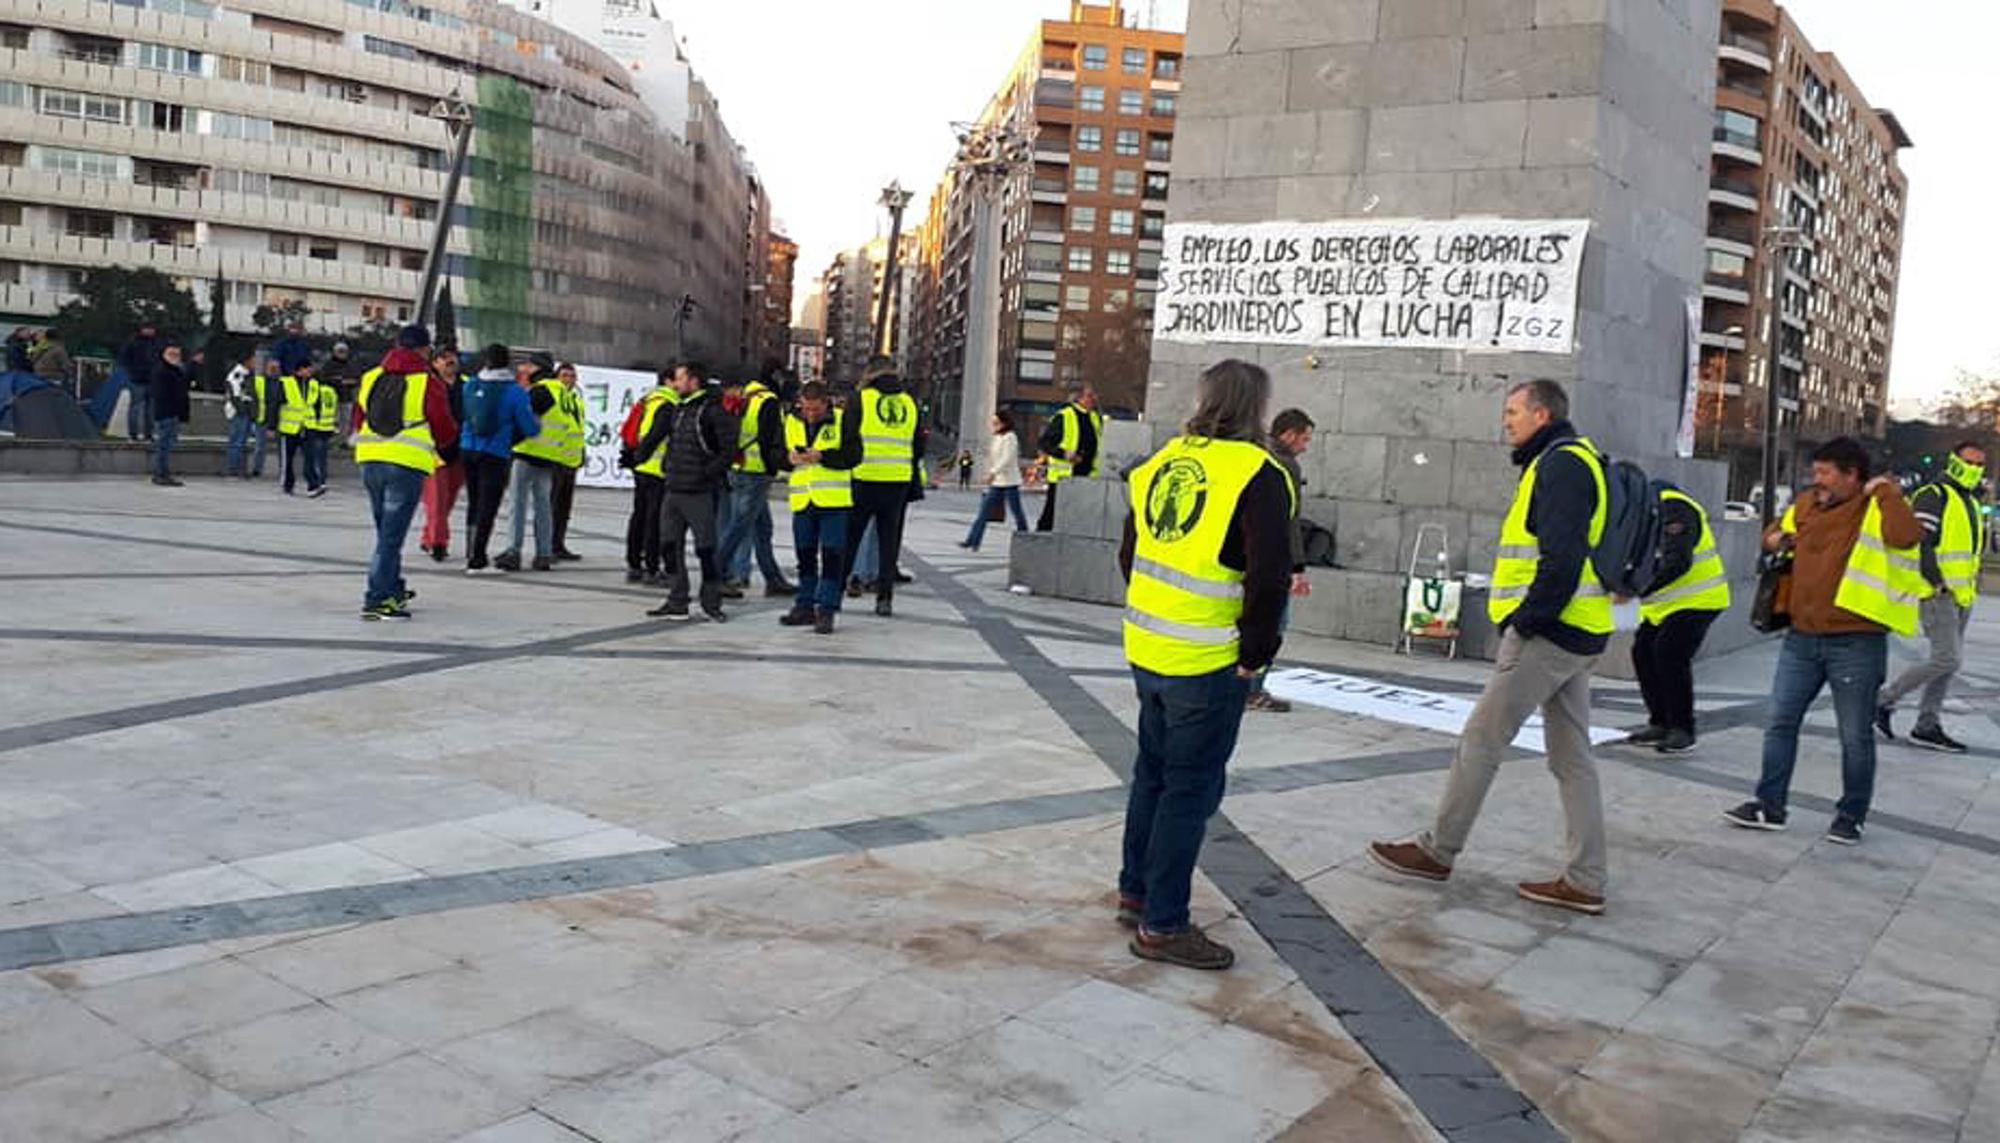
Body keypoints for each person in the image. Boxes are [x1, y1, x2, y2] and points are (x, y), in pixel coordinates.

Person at [1370, 380, 1613, 916]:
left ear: (1541, 414)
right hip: (1579, 629)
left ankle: (1438, 850)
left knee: (1482, 737)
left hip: (1550, 633)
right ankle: (1586, 878)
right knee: (1573, 756)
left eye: (1513, 411)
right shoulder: (1571, 458)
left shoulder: (1561, 465)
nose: (1506, 421)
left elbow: (1562, 558)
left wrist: (1527, 622)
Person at [1115, 360, 1294, 970]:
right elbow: (1269, 577)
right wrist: (1255, 656)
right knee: (1189, 791)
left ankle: (1134, 890)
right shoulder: (1259, 472)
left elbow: (1129, 553)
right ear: (1257, 408)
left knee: (1153, 775)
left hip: (1147, 647)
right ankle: (1163, 925)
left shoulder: (1160, 461)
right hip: (1207, 657)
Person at [1724, 438, 1923, 844]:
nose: (1818, 480)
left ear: (1853, 475)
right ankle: (1769, 804)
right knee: (1780, 721)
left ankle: (1851, 815)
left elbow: (1906, 536)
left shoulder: (1875, 506)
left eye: (1826, 473)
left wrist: (1885, 490)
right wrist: (1777, 539)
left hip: (1856, 641)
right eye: (1816, 472)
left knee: (1854, 733)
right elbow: (1774, 532)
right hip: (1802, 636)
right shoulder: (1809, 503)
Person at [1877, 441, 1988, 753]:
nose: (1976, 469)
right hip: (1938, 592)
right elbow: (1920, 542)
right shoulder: (1934, 495)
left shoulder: (1970, 501)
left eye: (1981, 464)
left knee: (1947, 663)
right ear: (1954, 461)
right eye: (1971, 462)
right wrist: (1936, 581)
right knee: (1947, 658)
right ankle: (1883, 700)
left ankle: (1927, 724)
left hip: (1961, 595)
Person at [352, 324, 458, 620]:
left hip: (370, 458)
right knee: (391, 536)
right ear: (424, 349)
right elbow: (443, 426)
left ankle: (393, 589)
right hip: (406, 463)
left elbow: (358, 418)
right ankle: (376, 600)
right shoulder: (427, 382)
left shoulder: (371, 377)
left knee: (386, 531)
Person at [1625, 486, 1732, 753]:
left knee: (1669, 654)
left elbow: (1678, 561)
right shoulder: (1642, 512)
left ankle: (1683, 729)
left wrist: (1636, 590)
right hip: (1663, 606)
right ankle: (1660, 722)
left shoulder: (1674, 507)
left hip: (1698, 599)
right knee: (1643, 653)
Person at [642, 362, 737, 622]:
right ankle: (677, 599)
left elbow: (728, 451)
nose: (676, 381)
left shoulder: (712, 411)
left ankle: (711, 601)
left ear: (694, 381)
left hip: (699, 492)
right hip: (673, 488)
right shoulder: (678, 409)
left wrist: (707, 473)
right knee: (669, 546)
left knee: (706, 549)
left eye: (681, 377)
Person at [1246, 408, 1317, 714]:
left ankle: (1240, 685)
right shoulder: (1286, 466)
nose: (1306, 446)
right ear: (1288, 435)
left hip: (1246, 556)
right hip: (1274, 560)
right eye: (1305, 438)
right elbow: (1290, 521)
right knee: (1273, 624)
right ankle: (1253, 690)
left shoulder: (1253, 454)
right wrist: (1297, 568)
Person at [781, 381, 863, 634]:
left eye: (815, 409)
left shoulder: (841, 420)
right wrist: (788, 459)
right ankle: (804, 605)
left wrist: (823, 457)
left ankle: (826, 609)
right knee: (804, 557)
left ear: (826, 403)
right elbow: (775, 454)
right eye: (806, 408)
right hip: (803, 499)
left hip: (834, 501)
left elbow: (854, 456)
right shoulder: (791, 421)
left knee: (832, 557)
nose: (811, 414)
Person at [847, 356, 919, 617]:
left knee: (851, 538)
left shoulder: (860, 399)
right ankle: (884, 598)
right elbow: (917, 446)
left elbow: (849, 438)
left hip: (864, 477)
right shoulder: (909, 403)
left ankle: (835, 593)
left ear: (871, 374)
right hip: (898, 480)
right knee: (889, 542)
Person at [460, 344, 539, 574]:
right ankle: (478, 559)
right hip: (494, 451)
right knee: (488, 505)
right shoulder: (514, 391)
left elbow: (463, 414)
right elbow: (529, 427)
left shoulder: (471, 384)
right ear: (508, 363)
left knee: (474, 502)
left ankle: (470, 552)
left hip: (467, 448)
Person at [716, 374, 795, 599]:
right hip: (756, 471)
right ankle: (716, 573)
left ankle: (773, 578)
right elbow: (770, 439)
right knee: (739, 525)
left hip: (737, 467)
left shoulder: (742, 398)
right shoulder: (767, 401)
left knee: (762, 528)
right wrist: (775, 467)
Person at [496, 358, 573, 572]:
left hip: (528, 452)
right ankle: (544, 553)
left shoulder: (539, 391)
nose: (525, 369)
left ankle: (513, 550)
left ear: (538, 369)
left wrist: (508, 443)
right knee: (543, 507)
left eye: (529, 366)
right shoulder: (562, 392)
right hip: (549, 455)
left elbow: (525, 421)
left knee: (518, 505)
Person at [620, 369, 678, 584]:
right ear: (668, 381)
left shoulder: (649, 400)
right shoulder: (668, 404)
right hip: (657, 468)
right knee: (655, 520)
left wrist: (635, 458)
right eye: (678, 379)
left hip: (642, 468)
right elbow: (657, 435)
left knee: (639, 515)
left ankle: (634, 562)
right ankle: (652, 566)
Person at [419, 345, 468, 561]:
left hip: (459, 448)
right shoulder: (428, 386)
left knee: (449, 498)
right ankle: (439, 543)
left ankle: (428, 536)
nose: (449, 361)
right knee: (436, 499)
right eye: (442, 358)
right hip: (434, 449)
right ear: (434, 363)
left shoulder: (466, 386)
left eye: (451, 357)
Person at [959, 412, 1031, 551]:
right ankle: (972, 540)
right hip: (997, 482)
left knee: (1017, 512)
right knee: (983, 512)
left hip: (1009, 481)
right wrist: (992, 473)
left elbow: (1007, 458)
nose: (993, 426)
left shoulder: (1010, 437)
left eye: (996, 423)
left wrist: (993, 472)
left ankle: (1025, 537)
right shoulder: (997, 438)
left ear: (1004, 423)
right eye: (993, 423)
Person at [1037, 384, 1104, 532]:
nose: (1094, 399)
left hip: (1087, 476)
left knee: (1078, 517)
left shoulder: (1095, 418)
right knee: (1051, 514)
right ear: (1079, 398)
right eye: (1090, 395)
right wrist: (1064, 454)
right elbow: (1045, 443)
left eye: (1094, 395)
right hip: (1063, 476)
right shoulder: (1065, 415)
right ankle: (1041, 541)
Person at [548, 361, 585, 562]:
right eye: (564, 375)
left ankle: (558, 543)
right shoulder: (553, 396)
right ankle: (547, 545)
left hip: (571, 459)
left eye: (571, 376)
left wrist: (581, 452)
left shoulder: (575, 399)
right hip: (555, 457)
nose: (568, 380)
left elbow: (577, 428)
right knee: (551, 505)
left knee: (564, 507)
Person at [275, 359, 322, 497]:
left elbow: (317, 405)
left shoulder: (314, 384)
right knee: (288, 459)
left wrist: (316, 422)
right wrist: (272, 424)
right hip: (289, 427)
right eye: (306, 369)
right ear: (298, 370)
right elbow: (276, 404)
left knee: (310, 457)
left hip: (308, 426)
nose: (309, 372)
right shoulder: (286, 383)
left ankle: (313, 485)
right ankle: (287, 484)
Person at [149, 342, 189, 487]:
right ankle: (160, 474)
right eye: (172, 354)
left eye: (177, 355)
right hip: (166, 413)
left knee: (167, 445)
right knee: (163, 445)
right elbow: (162, 395)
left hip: (173, 413)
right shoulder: (162, 371)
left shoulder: (176, 371)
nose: (175, 357)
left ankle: (163, 473)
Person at [301, 357, 340, 496]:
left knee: (314, 457)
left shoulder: (314, 389)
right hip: (328, 427)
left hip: (316, 427)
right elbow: (335, 409)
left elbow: (314, 406)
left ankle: (316, 482)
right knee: (322, 457)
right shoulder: (331, 391)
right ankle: (322, 480)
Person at [118, 323, 160, 441]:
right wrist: (132, 372)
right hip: (137, 380)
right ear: (142, 329)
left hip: (152, 380)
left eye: (152, 329)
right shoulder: (133, 342)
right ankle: (133, 434)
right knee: (136, 407)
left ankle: (149, 434)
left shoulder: (155, 343)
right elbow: (124, 359)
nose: (150, 331)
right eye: (148, 329)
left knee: (150, 409)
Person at [223, 351, 260, 478]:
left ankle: (238, 468)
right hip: (239, 412)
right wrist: (243, 410)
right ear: (247, 361)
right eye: (253, 360)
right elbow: (235, 395)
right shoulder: (238, 374)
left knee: (241, 441)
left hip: (245, 412)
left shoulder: (247, 374)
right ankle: (233, 469)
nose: (255, 363)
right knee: (237, 441)